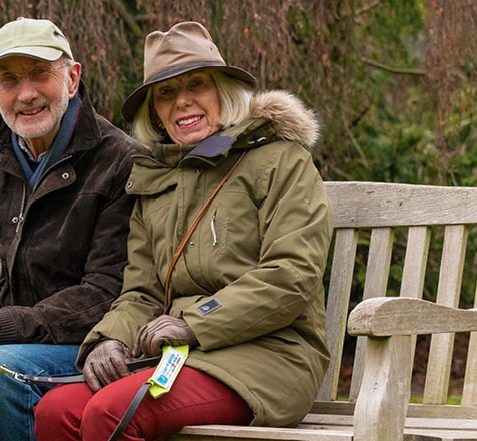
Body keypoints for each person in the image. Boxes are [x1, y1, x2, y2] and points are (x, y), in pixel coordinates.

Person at [33, 21, 333, 441]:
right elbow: (142, 292)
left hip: (271, 355)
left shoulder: (281, 162)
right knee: (55, 410)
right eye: (166, 93)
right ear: (153, 110)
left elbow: (292, 275)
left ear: (223, 92)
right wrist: (108, 340)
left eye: (197, 85)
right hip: (183, 358)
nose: (183, 102)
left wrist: (195, 323)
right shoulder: (156, 182)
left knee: (112, 413)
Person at [0, 17, 147, 441]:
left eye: (41, 74)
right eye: (9, 80)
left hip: (90, 343)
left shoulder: (121, 162)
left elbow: (109, 290)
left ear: (72, 78)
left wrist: (8, 327)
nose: (27, 94)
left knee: (0, 366)